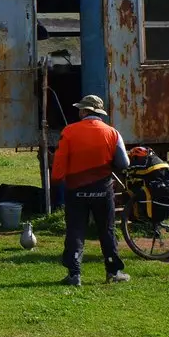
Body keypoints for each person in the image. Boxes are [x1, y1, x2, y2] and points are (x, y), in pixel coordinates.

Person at [50, 94, 130, 287]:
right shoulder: (112, 133)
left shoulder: (69, 132)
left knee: (76, 230)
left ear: (85, 111)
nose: (79, 111)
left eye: (81, 109)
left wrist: (57, 180)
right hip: (103, 190)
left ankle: (74, 274)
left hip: (76, 190)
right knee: (106, 230)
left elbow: (59, 164)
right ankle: (113, 271)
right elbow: (124, 163)